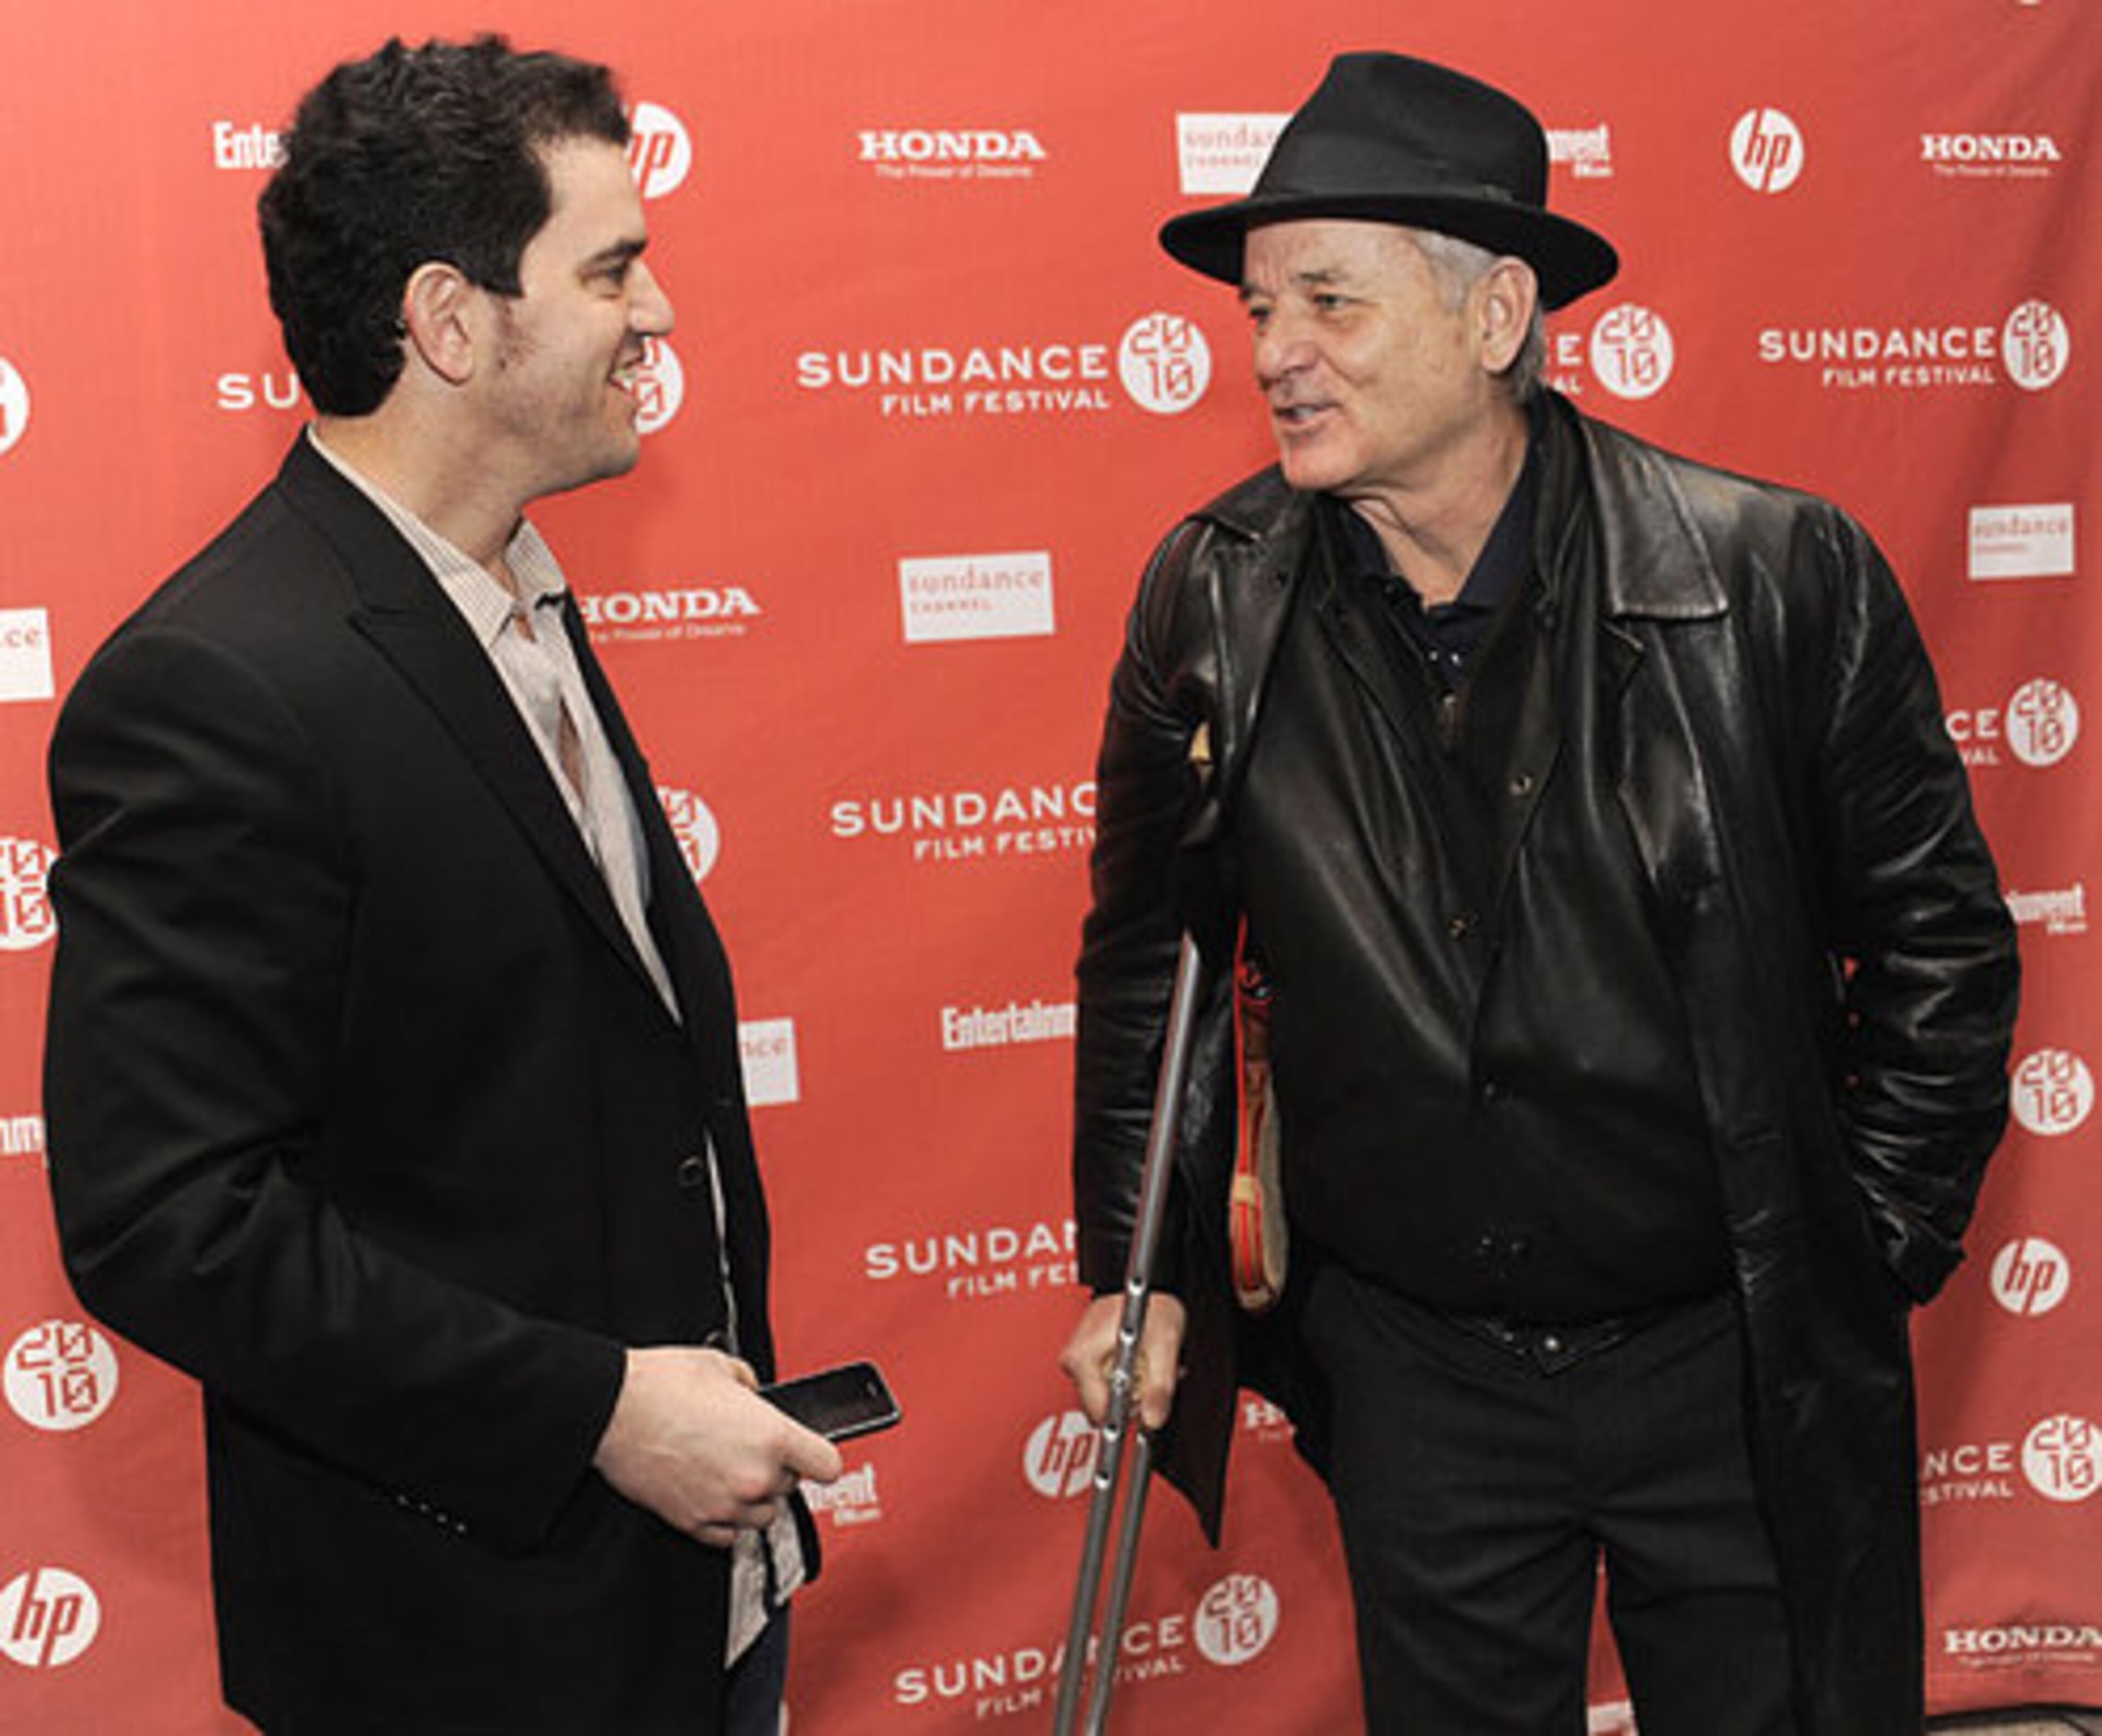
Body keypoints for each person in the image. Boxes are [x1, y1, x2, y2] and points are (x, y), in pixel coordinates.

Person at [1060, 50, 2018, 1736]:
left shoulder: (1771, 577)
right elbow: (1153, 967)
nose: (1274, 353)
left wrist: (1861, 1251)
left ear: (1497, 313)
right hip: (1418, 1377)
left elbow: (1940, 945)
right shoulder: (1210, 601)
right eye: (1261, 309)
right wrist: (1130, 1276)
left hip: (1729, 1362)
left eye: (1330, 301)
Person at [43, 37, 840, 1736]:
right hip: (466, 1653)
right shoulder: (220, 685)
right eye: (612, 269)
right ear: (452, 322)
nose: (659, 314)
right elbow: (169, 1222)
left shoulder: (513, 595)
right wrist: (597, 1411)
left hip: (692, 1603)